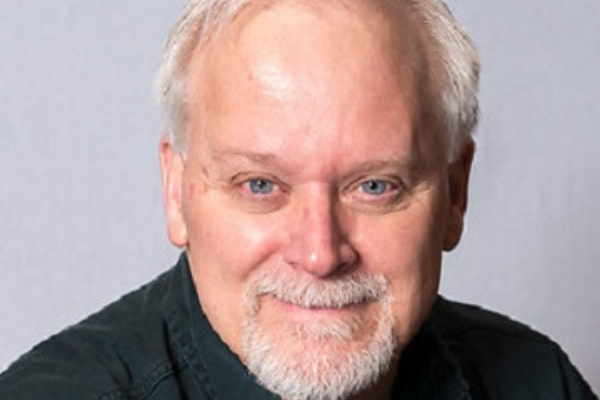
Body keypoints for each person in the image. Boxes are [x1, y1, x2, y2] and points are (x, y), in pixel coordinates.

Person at [0, 0, 597, 399]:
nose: (320, 254)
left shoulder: (537, 384)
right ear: (176, 192)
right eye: (260, 185)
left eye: (375, 186)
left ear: (456, 193)